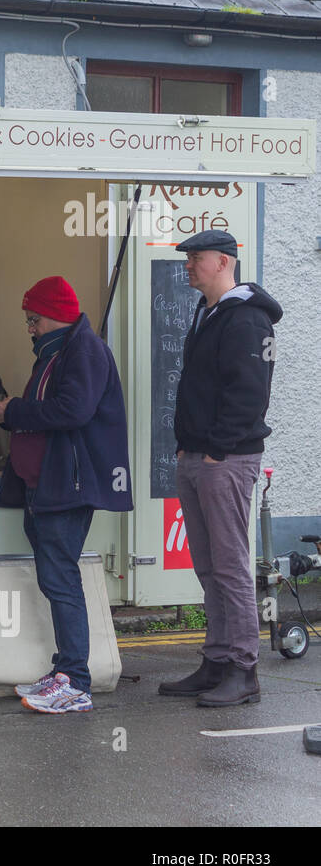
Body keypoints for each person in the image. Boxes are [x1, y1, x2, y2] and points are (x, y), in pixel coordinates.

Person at [0, 276, 132, 714]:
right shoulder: (59, 352)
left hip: (66, 488)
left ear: (57, 316)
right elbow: (55, 411)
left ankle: (76, 682)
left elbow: (72, 410)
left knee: (61, 580)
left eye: (34, 319)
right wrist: (11, 414)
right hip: (45, 486)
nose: (30, 328)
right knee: (56, 580)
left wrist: (13, 410)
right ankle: (64, 670)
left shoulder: (83, 351)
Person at [158, 230, 281, 707]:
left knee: (229, 566)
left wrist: (217, 450)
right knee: (209, 566)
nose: (188, 264)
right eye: (188, 257)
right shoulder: (208, 313)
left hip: (224, 459)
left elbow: (250, 392)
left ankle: (243, 669)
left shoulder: (246, 319)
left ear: (225, 262)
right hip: (197, 455)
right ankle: (216, 660)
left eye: (196, 257)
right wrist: (190, 449)